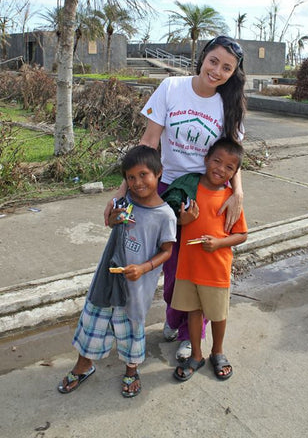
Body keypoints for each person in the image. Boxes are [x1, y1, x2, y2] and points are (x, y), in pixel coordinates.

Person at [103, 35, 246, 361]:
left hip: (204, 193)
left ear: (232, 73)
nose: (217, 71)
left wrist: (237, 193)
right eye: (214, 61)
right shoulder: (170, 88)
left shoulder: (229, 104)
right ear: (203, 57)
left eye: (227, 68)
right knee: (168, 262)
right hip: (165, 189)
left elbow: (232, 156)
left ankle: (189, 334)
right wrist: (123, 189)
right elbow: (149, 141)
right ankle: (173, 316)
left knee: (195, 265)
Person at [58, 145, 176, 398]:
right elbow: (112, 224)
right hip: (107, 279)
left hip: (136, 286)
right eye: (130, 177)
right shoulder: (125, 201)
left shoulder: (165, 215)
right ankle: (84, 365)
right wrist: (114, 218)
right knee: (92, 320)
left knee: (131, 328)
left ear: (159, 173)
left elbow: (167, 251)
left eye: (143, 175)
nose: (137, 182)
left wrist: (144, 268)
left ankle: (131, 369)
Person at [166, 138, 248, 382]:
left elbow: (242, 235)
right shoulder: (189, 190)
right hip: (189, 268)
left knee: (218, 314)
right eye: (217, 161)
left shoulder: (231, 198)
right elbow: (173, 222)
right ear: (206, 159)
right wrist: (183, 221)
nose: (221, 169)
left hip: (216, 269)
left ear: (234, 173)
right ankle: (197, 355)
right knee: (193, 312)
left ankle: (218, 352)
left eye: (229, 167)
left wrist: (219, 243)